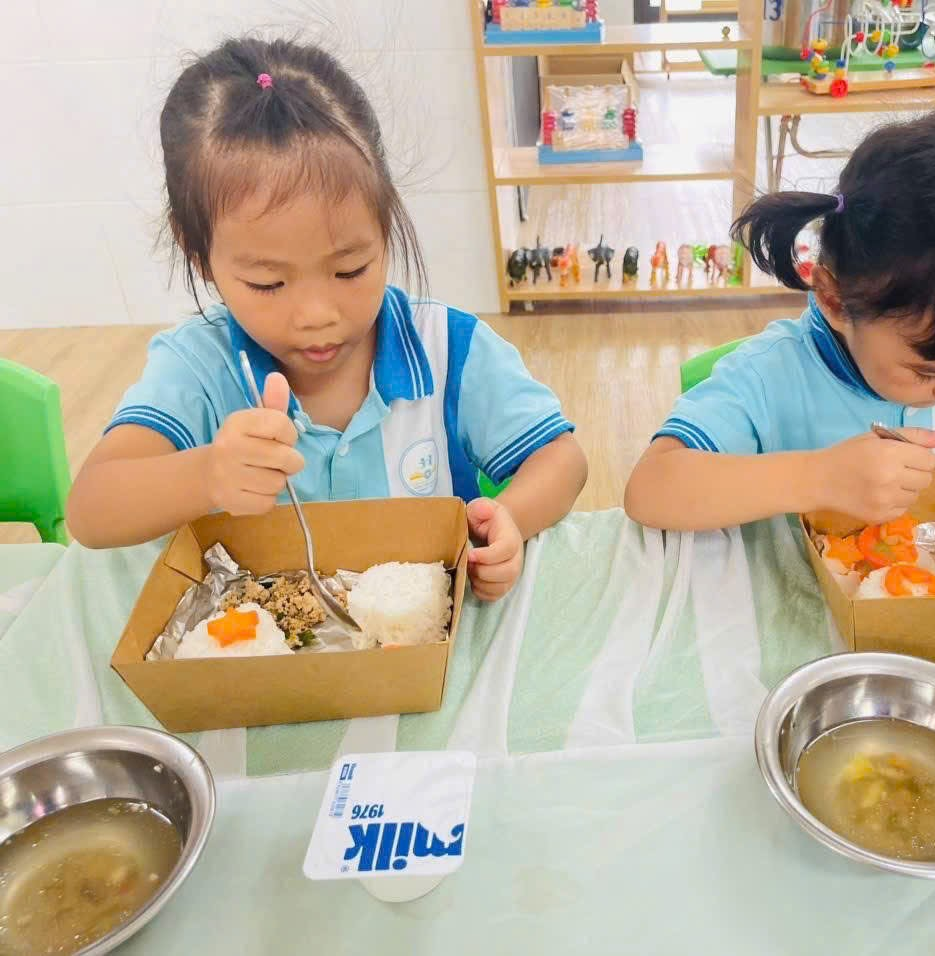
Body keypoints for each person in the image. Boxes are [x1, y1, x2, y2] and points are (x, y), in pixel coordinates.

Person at [67, 37, 587, 600]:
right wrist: (207, 474)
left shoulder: (446, 347)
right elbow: (91, 509)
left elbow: (562, 460)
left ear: (385, 224)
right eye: (268, 283)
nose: (318, 316)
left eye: (349, 269)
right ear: (199, 255)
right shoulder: (199, 367)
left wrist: (510, 519)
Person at [626, 103, 935, 531]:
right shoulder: (771, 375)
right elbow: (650, 489)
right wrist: (816, 477)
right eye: (928, 372)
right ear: (835, 300)